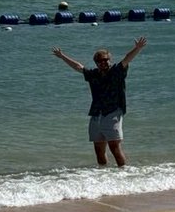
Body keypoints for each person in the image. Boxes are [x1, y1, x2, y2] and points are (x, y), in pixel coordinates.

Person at [51, 37, 147, 167]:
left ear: (110, 60)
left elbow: (127, 59)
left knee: (114, 146)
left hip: (113, 111)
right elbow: (78, 67)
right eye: (100, 61)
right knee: (98, 149)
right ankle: (102, 176)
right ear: (96, 63)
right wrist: (63, 56)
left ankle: (124, 174)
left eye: (106, 60)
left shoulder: (116, 71)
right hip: (96, 114)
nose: (103, 63)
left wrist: (137, 48)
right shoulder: (93, 74)